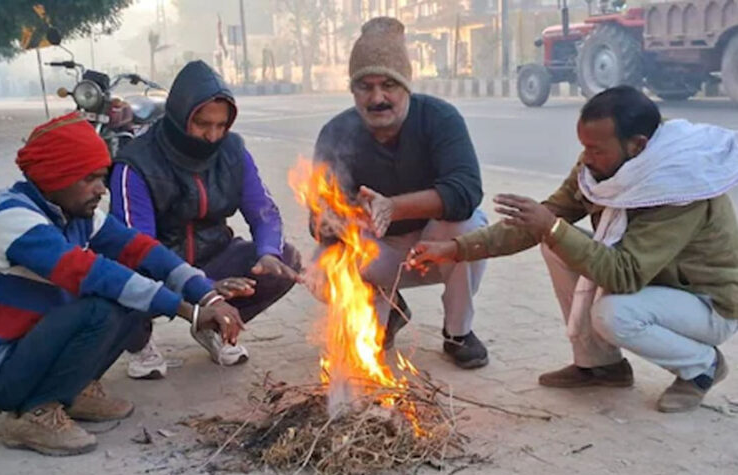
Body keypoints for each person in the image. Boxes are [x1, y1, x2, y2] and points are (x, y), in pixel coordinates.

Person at [410, 86, 738, 412]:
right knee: (556, 246)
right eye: (584, 147)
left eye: (596, 150)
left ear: (637, 145)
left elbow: (625, 274)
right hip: (655, 278)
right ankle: (601, 366)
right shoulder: (600, 168)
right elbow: (549, 217)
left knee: (613, 314)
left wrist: (550, 227)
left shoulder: (679, 184)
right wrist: (455, 249)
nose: (586, 158)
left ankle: (701, 367)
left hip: (707, 303)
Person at [0, 113, 245, 455]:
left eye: (102, 178)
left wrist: (206, 294)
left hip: (33, 347)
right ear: (56, 177)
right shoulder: (11, 217)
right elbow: (91, 273)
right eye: (90, 179)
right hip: (0, 372)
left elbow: (144, 251)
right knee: (102, 304)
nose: (101, 190)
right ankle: (36, 412)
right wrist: (188, 313)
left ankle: (74, 389)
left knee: (135, 286)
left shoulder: (75, 213)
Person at [311, 17, 488, 369]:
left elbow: (466, 190)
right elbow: (319, 221)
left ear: (407, 85)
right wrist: (345, 217)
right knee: (322, 270)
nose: (377, 98)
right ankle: (389, 311)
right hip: (378, 250)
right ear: (353, 90)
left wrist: (392, 207)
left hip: (434, 245)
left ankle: (458, 332)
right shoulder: (335, 133)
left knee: (470, 227)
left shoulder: (440, 118)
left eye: (389, 84)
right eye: (365, 86)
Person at [111, 60, 301, 378]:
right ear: (178, 116)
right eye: (202, 124)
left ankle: (213, 325)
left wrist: (269, 253)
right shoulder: (134, 164)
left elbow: (263, 210)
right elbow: (138, 249)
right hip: (157, 266)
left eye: (221, 125)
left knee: (287, 260)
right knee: (121, 271)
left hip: (213, 255)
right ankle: (139, 342)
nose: (213, 136)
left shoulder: (233, 152)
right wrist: (205, 288)